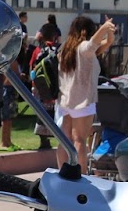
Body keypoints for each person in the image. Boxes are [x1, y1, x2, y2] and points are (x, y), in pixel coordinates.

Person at [58, 14, 117, 175]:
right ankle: (82, 175)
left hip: (66, 101)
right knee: (79, 140)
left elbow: (107, 43)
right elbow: (93, 43)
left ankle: (62, 172)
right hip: (83, 101)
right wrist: (104, 28)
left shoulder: (66, 49)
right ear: (86, 31)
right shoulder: (84, 48)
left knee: (65, 139)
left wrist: (108, 30)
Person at [28, 23, 62, 150]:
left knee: (41, 113)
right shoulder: (58, 49)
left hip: (38, 87)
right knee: (54, 113)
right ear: (54, 36)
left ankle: (43, 139)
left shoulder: (37, 50)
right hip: (54, 87)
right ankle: (58, 138)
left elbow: (31, 68)